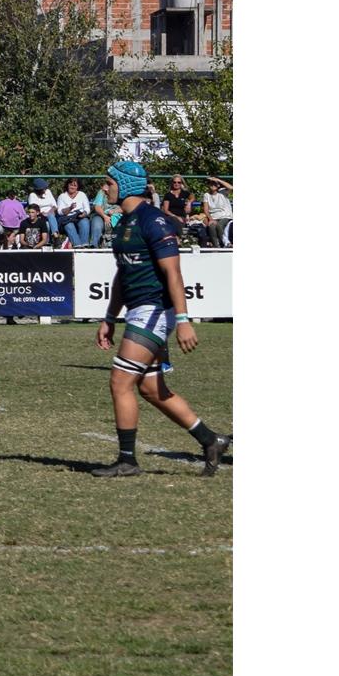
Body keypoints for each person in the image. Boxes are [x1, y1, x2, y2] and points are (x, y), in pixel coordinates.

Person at [91, 161, 232, 477]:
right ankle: (211, 440)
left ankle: (127, 461)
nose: (104, 187)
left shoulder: (154, 221)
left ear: (126, 185)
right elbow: (123, 274)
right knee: (152, 389)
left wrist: (183, 319)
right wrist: (109, 317)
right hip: (138, 310)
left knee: (120, 381)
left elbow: (174, 273)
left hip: (154, 310)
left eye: (109, 182)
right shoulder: (125, 222)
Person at [55, 179, 92, 248]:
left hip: (79, 216)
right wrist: (70, 208)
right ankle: (77, 246)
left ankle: (85, 245)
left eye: (75, 185)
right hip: (67, 218)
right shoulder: (62, 196)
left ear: (77, 187)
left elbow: (87, 209)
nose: (72, 187)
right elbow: (60, 212)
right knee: (69, 225)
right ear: (67, 185)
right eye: (71, 185)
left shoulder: (82, 194)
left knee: (85, 222)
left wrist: (84, 214)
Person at [202, 177, 233, 247]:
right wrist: (211, 219)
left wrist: (218, 180)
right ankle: (216, 246)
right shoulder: (206, 195)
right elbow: (206, 209)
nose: (213, 185)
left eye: (215, 183)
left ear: (218, 185)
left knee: (219, 225)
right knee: (211, 227)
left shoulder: (223, 192)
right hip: (214, 217)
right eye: (211, 183)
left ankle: (225, 244)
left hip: (225, 216)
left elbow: (231, 188)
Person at [89, 180, 120, 248]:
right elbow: (97, 207)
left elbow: (125, 207)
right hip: (101, 215)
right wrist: (104, 216)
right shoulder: (102, 192)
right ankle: (94, 245)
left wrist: (115, 211)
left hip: (117, 215)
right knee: (97, 223)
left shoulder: (122, 193)